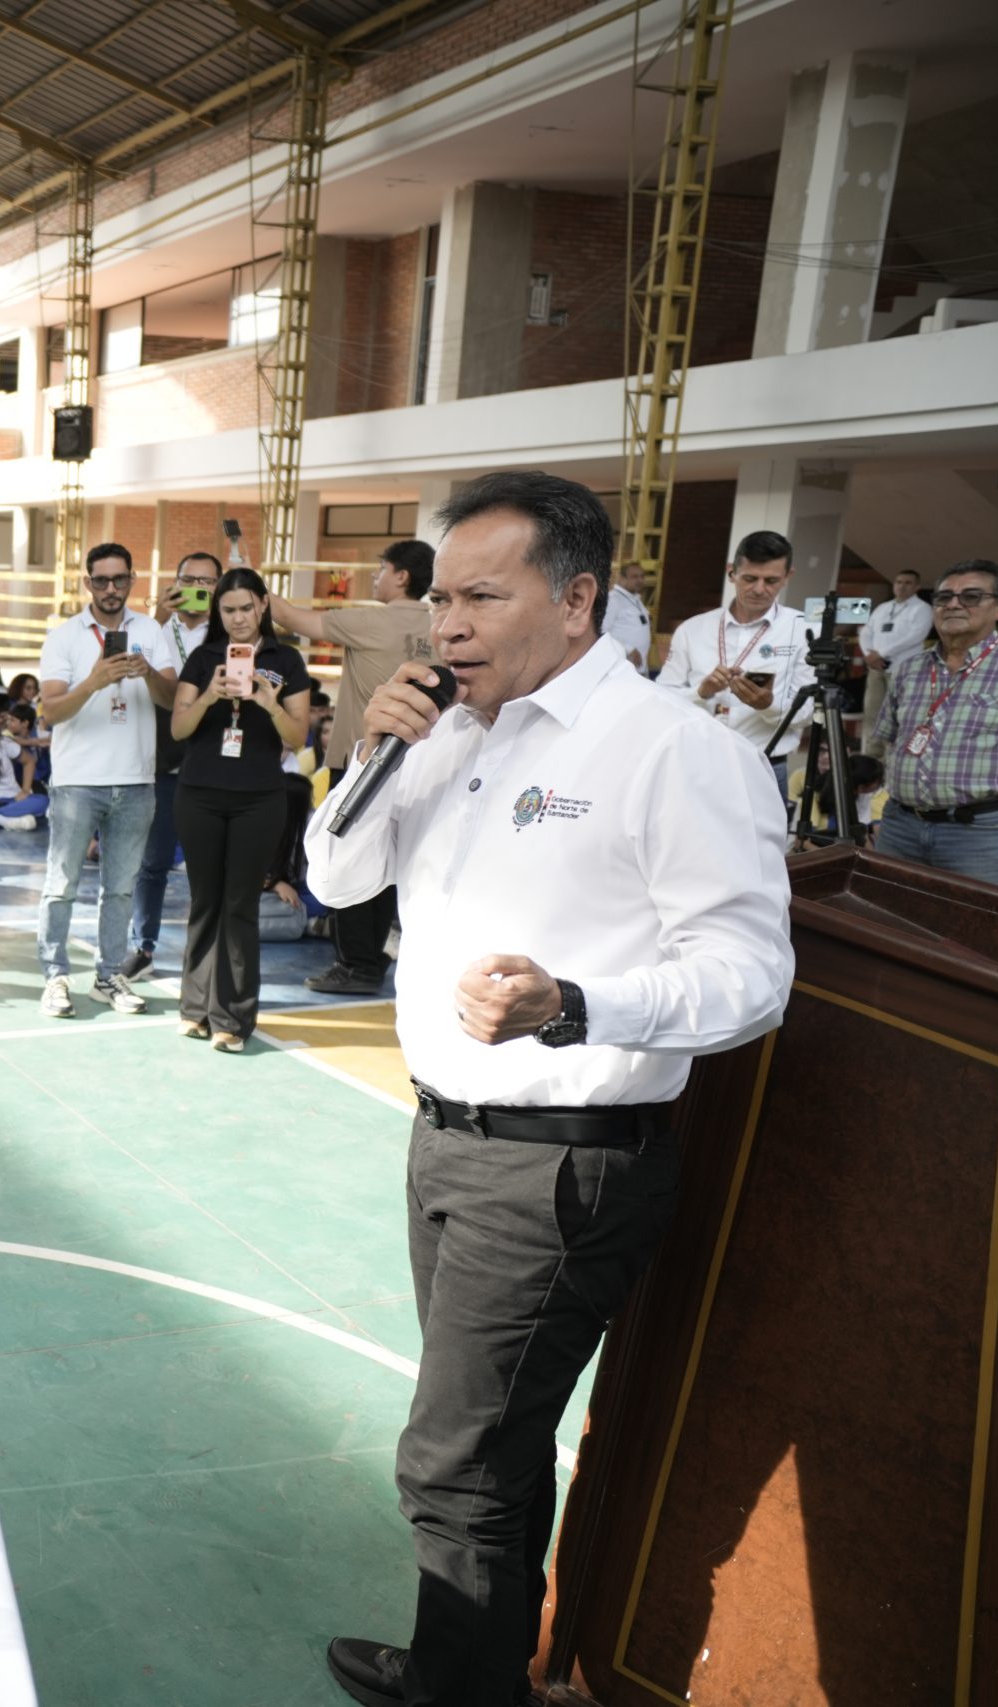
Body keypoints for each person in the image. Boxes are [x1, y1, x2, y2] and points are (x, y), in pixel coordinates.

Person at [308, 470, 792, 1707]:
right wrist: (374, 754)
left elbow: (750, 975)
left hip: (560, 1161)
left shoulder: (670, 751)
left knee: (454, 1463)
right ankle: (465, 1671)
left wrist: (572, 1003)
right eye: (441, 601)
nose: (446, 626)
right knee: (495, 1452)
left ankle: (463, 1689)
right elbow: (336, 881)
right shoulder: (451, 733)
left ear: (577, 601)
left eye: (480, 597)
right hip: (447, 1140)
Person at [272, 538, 437, 997]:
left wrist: (246, 577)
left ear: (402, 576)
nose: (375, 577)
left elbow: (291, 617)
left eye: (382, 569)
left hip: (364, 760)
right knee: (388, 867)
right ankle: (372, 956)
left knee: (347, 859)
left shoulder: (371, 620)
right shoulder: (438, 624)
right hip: (418, 764)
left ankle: (356, 964)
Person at [30, 543, 179, 1019]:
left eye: (119, 579)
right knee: (61, 884)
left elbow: (172, 698)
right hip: (77, 780)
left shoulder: (150, 630)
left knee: (120, 888)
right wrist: (94, 680)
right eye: (101, 580)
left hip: (136, 779)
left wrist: (147, 672)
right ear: (87, 583)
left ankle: (109, 975)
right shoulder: (64, 637)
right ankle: (55, 976)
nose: (111, 588)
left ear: (132, 580)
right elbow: (51, 711)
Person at [168, 567, 311, 1050]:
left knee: (240, 906)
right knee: (205, 902)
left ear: (263, 605)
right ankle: (195, 1009)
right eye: (228, 610)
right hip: (199, 793)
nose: (238, 618)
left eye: (246, 608)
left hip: (259, 798)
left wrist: (269, 704)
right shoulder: (204, 658)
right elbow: (179, 729)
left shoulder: (286, 660)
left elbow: (298, 736)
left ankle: (232, 1018)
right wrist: (210, 695)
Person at [871, 560, 998, 889]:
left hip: (984, 834)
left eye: (971, 596)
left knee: (981, 919)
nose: (953, 604)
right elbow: (889, 740)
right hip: (900, 827)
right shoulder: (909, 669)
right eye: (943, 597)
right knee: (890, 913)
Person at [128, 551, 222, 980]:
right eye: (189, 579)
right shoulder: (153, 631)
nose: (197, 589)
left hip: (212, 762)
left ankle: (206, 956)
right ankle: (142, 948)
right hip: (161, 761)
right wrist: (159, 615)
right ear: (174, 582)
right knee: (153, 862)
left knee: (210, 867)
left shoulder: (228, 635)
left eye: (207, 582)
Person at [656, 530, 812, 782]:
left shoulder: (803, 630)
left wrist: (768, 706)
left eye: (771, 581)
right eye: (750, 578)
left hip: (764, 765)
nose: (759, 589)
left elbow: (807, 712)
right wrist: (701, 692)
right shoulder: (693, 629)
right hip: (697, 760)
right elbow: (662, 698)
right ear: (732, 572)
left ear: (787, 577)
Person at [857, 567, 933, 758]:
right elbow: (866, 632)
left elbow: (915, 636)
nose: (902, 586)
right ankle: (872, 756)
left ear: (917, 587)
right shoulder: (883, 608)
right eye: (899, 582)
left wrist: (881, 653)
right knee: (872, 712)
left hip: (903, 669)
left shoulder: (922, 609)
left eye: (908, 583)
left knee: (899, 714)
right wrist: (868, 654)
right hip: (877, 668)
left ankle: (894, 757)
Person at [600, 554, 653, 674]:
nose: (640, 580)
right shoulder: (613, 600)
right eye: (634, 577)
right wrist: (628, 649)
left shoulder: (636, 599)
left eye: (642, 576)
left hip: (637, 668)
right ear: (621, 578)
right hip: (619, 669)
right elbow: (601, 631)